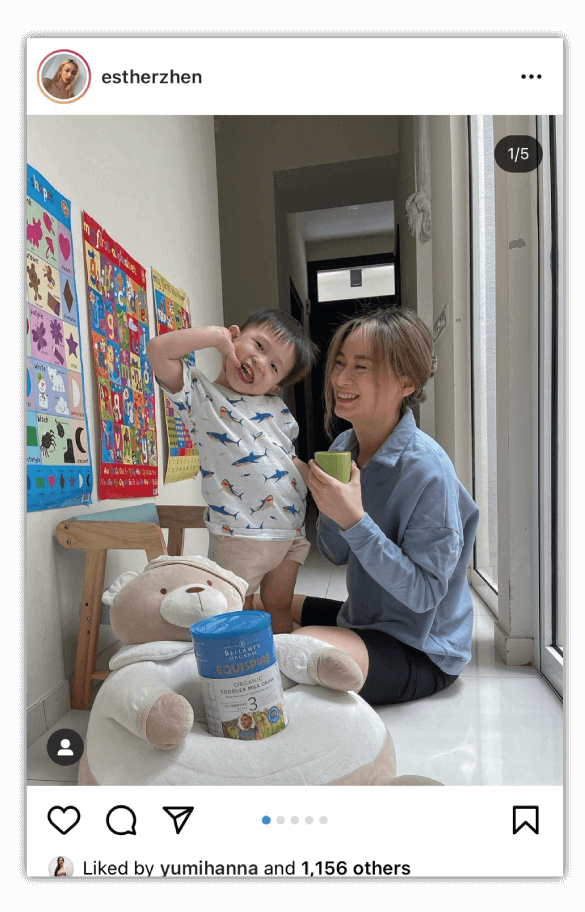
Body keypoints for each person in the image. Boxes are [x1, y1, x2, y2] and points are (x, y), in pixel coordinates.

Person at [286, 307, 479, 705]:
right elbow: (335, 554)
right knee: (261, 604)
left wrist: (354, 520)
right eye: (340, 363)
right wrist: (329, 509)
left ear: (406, 383)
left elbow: (424, 595)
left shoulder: (428, 471)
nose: (340, 379)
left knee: (296, 649)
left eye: (361, 367)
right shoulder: (344, 446)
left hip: (421, 647)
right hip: (363, 619)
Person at [146, 309, 317, 633]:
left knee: (279, 605)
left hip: (291, 533)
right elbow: (157, 350)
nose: (261, 362)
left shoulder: (276, 408)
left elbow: (286, 456)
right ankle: (241, 663)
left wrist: (315, 478)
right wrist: (216, 337)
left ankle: (282, 661)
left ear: (276, 386)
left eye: (274, 367)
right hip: (239, 534)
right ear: (234, 335)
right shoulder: (199, 395)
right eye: (259, 346)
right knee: (235, 609)